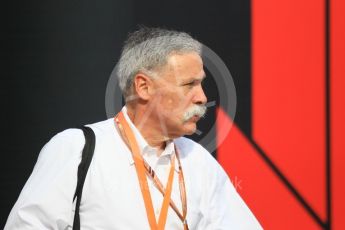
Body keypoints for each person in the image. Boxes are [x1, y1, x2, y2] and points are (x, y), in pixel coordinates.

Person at [5, 27, 262, 229]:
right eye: (189, 85)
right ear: (144, 87)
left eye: (201, 84)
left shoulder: (199, 162)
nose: (202, 97)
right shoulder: (77, 149)